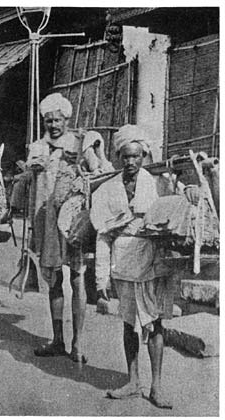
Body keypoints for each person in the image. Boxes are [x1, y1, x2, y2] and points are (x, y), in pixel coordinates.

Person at [93, 125, 180, 409]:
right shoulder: (107, 189)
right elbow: (103, 235)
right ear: (118, 157)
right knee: (129, 324)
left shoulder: (156, 183)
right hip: (123, 260)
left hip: (151, 259)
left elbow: (178, 198)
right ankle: (133, 381)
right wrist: (101, 279)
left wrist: (189, 190)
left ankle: (156, 386)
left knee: (154, 323)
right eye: (126, 157)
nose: (131, 162)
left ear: (143, 156)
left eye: (136, 156)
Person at [36, 133, 90, 362]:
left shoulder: (82, 145)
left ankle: (77, 343)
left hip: (75, 222)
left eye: (58, 120)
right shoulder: (45, 152)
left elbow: (99, 170)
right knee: (55, 280)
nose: (54, 125)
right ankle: (58, 339)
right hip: (50, 222)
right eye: (49, 120)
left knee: (77, 279)